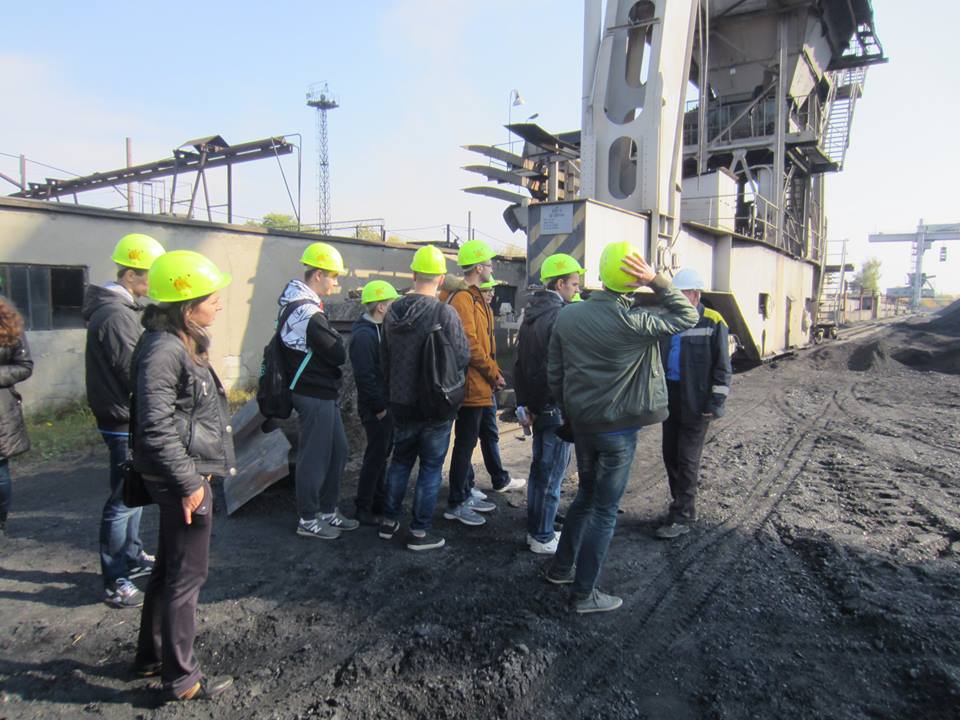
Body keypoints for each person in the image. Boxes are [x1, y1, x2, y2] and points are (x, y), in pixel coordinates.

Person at [545, 242, 698, 614]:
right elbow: (688, 315)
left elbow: (555, 373)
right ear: (633, 281)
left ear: (601, 274)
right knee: (604, 510)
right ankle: (584, 594)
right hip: (618, 431)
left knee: (585, 495)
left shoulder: (567, 316)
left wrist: (569, 411)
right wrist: (655, 280)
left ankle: (561, 569)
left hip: (583, 425)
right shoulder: (636, 322)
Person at [130, 250, 236, 701]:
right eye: (212, 298)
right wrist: (190, 483)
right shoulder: (165, 349)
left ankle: (152, 656)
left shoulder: (174, 341)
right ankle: (182, 678)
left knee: (169, 568)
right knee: (186, 577)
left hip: (181, 473)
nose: (219, 304)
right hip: (181, 477)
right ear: (187, 306)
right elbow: (154, 427)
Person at [83, 232, 166, 608]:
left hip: (122, 415)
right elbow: (133, 370)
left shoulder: (121, 310)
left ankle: (131, 556)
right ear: (131, 274)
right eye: (151, 275)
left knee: (132, 491)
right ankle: (115, 578)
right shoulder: (117, 315)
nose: (155, 283)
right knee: (122, 499)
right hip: (121, 419)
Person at [378, 245, 469, 551]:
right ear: (441, 278)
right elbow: (462, 355)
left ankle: (388, 522)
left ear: (414, 274)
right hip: (436, 405)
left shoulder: (392, 312)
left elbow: (384, 359)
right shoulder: (444, 312)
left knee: (400, 462)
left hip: (400, 402)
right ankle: (419, 532)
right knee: (430, 468)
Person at [277, 242, 358, 539]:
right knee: (315, 456)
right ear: (318, 274)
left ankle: (327, 510)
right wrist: (334, 337)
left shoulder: (300, 304)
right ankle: (308, 518)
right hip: (312, 392)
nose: (336, 282)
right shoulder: (307, 312)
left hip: (321, 391)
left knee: (338, 450)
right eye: (333, 276)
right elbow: (337, 353)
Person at [440, 240, 523, 529]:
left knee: (468, 441)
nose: (491, 267)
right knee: (465, 444)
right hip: (471, 385)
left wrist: (492, 373)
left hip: (477, 383)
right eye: (488, 264)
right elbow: (471, 345)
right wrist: (492, 373)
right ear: (478, 268)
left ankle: (464, 493)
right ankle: (457, 502)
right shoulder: (464, 299)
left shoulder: (473, 297)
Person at [655, 268, 731, 539]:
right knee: (670, 455)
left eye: (681, 294)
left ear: (695, 295)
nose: (675, 298)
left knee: (687, 458)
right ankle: (680, 506)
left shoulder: (713, 321)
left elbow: (723, 366)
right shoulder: (669, 320)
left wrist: (716, 401)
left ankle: (683, 516)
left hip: (697, 401)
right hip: (671, 398)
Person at [515, 253, 583, 555]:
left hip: (539, 406)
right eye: (574, 284)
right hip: (554, 407)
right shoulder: (560, 317)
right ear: (559, 284)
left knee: (540, 470)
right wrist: (557, 405)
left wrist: (527, 404)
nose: (578, 290)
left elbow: (520, 365)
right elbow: (556, 368)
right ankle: (541, 536)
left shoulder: (532, 314)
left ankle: (538, 524)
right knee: (552, 473)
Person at [464, 276, 522, 499]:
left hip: (487, 385)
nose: (491, 294)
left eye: (492, 290)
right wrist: (493, 373)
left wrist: (495, 374)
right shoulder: (470, 308)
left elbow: (488, 351)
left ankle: (499, 478)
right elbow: (475, 350)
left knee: (489, 433)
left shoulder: (486, 311)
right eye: (487, 290)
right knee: (467, 439)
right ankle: (466, 486)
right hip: (476, 386)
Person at [348, 280, 399, 526]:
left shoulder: (377, 330)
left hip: (382, 405)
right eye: (391, 304)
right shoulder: (364, 336)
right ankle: (363, 507)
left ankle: (377, 502)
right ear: (381, 307)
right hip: (376, 408)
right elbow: (364, 377)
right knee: (375, 457)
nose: (393, 308)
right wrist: (379, 409)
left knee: (381, 456)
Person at [0, 297, 33, 536]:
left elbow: (24, 365)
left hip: (1, 410)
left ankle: (0, 521)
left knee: (0, 474)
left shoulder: (7, 323)